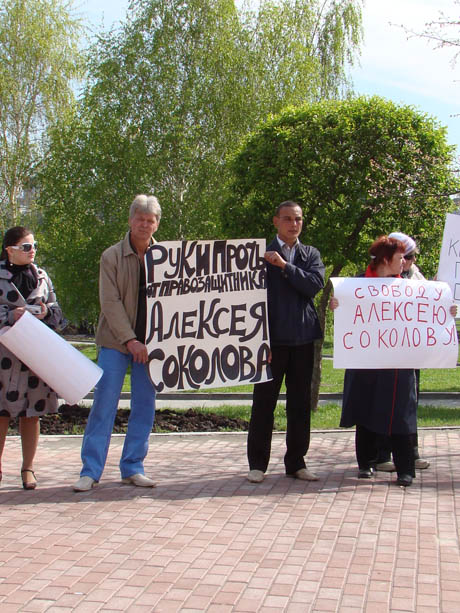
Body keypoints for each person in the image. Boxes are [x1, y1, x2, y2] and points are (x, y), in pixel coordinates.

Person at [73, 195, 161, 492]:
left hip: (151, 347)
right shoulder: (111, 256)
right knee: (104, 403)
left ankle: (133, 467)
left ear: (157, 223)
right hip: (115, 342)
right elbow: (109, 303)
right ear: (130, 220)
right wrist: (130, 339)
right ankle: (91, 470)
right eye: (140, 218)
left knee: (145, 406)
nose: (145, 225)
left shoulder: (166, 257)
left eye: (151, 220)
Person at [247, 200, 325, 483]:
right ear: (275, 221)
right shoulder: (257, 255)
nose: (294, 224)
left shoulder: (310, 254)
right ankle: (257, 465)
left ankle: (297, 463)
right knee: (263, 404)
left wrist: (285, 267)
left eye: (299, 219)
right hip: (270, 343)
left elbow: (314, 285)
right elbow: (249, 301)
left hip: (303, 340)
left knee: (300, 405)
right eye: (288, 219)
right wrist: (259, 340)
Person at [330, 235, 418, 486]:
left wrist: (447, 310)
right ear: (385, 259)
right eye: (400, 258)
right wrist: (338, 305)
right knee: (365, 407)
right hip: (365, 359)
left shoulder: (409, 287)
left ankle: (405, 468)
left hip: (398, 361)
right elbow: (347, 312)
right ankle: (366, 464)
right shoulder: (356, 285)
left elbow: (427, 310)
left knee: (401, 412)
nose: (404, 263)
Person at [0, 226, 64, 490]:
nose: (32, 250)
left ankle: (28, 468)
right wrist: (8, 316)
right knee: (1, 413)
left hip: (36, 356)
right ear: (10, 250)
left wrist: (46, 312)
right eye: (26, 247)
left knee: (32, 413)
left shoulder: (41, 276)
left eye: (34, 245)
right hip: (4, 358)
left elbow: (60, 316)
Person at [375, 232, 428, 472]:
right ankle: (382, 454)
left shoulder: (414, 276)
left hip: (409, 350)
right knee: (385, 402)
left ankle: (410, 453)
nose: (410, 261)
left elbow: (429, 300)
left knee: (409, 402)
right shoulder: (379, 278)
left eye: (412, 256)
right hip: (384, 352)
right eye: (406, 256)